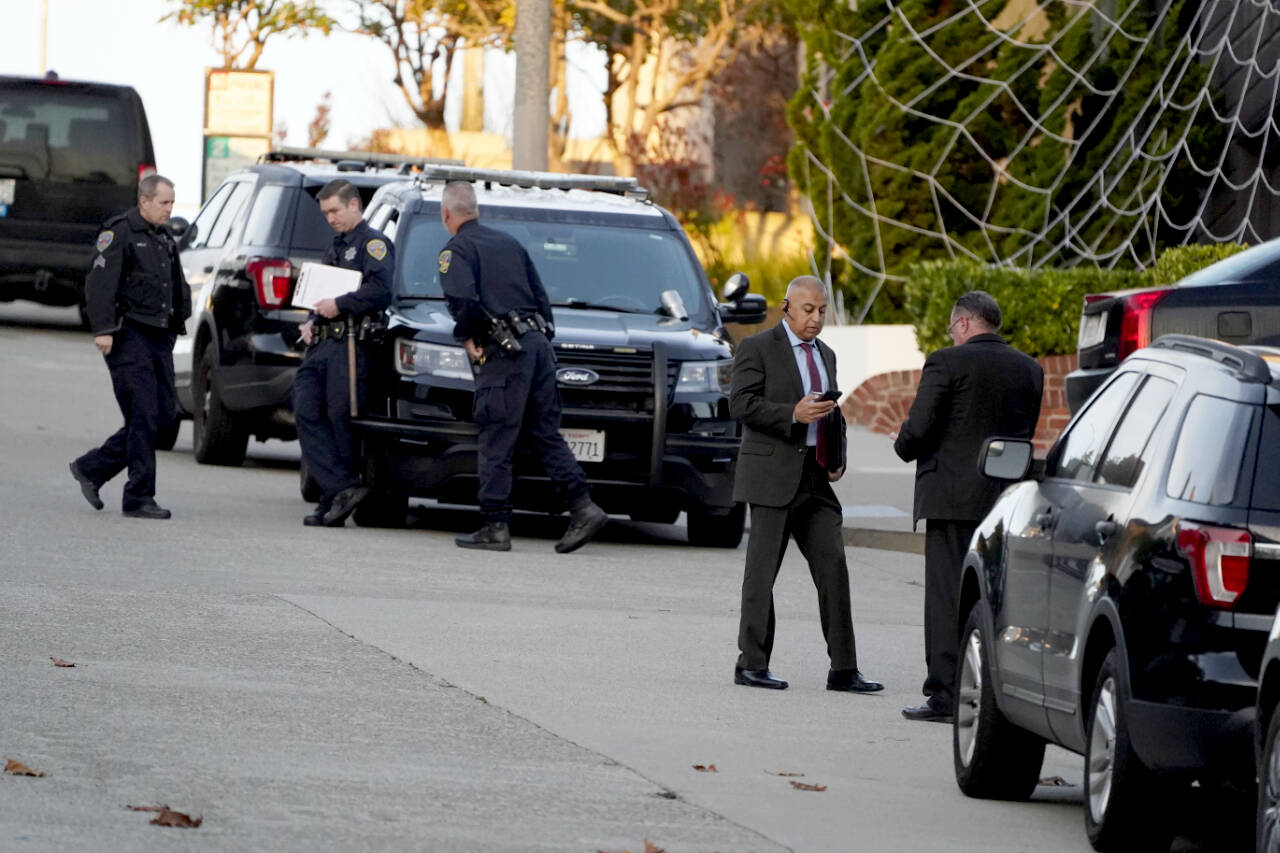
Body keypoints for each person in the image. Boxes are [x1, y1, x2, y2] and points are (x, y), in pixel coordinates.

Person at [894, 291, 1043, 723]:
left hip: (952, 500)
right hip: (1005, 502)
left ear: (962, 323)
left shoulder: (946, 362)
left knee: (945, 599)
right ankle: (991, 692)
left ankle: (944, 695)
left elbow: (919, 428)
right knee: (995, 599)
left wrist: (903, 445)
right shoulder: (1029, 369)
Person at [729, 275, 882, 694]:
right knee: (762, 576)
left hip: (815, 479)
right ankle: (752, 663)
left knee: (834, 569)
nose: (815, 319)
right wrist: (791, 415)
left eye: (821, 311)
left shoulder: (826, 354)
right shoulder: (757, 348)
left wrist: (838, 457)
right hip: (771, 476)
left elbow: (833, 411)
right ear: (787, 308)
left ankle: (844, 669)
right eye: (807, 310)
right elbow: (740, 404)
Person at [436, 180, 607, 553]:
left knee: (497, 435)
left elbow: (463, 299)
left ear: (446, 214)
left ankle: (495, 525)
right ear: (476, 209)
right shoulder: (509, 243)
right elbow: (541, 297)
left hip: (505, 353)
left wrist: (468, 335)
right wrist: (541, 339)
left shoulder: (457, 249)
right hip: (537, 345)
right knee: (544, 432)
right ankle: (582, 506)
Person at [70, 174, 191, 519]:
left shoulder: (163, 236)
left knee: (165, 416)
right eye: (164, 202)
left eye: (172, 202)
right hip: (128, 335)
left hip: (159, 336)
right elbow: (99, 282)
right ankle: (138, 496)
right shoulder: (120, 232)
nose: (170, 209)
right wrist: (103, 329)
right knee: (143, 415)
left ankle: (92, 468)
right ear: (144, 201)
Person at [294, 180, 394, 527]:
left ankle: (331, 502)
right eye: (325, 213)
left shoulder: (374, 244)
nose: (330, 219)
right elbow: (321, 291)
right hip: (321, 343)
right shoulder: (336, 245)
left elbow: (381, 291)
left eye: (335, 211)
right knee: (305, 411)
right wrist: (310, 319)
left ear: (355, 205)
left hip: (350, 344)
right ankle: (342, 488)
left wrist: (340, 305)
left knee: (340, 421)